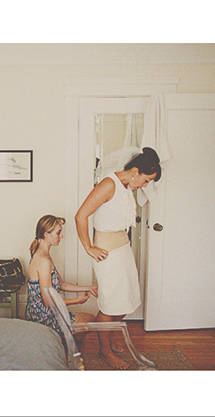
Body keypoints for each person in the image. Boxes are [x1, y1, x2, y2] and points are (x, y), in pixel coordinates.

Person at [75, 147, 162, 369]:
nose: (145, 185)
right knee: (110, 304)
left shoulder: (125, 187)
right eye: (146, 180)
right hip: (108, 255)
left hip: (122, 251)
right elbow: (81, 215)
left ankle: (110, 339)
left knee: (123, 301)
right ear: (135, 172)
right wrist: (89, 248)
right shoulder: (108, 184)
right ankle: (105, 351)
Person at [25, 215, 98, 339]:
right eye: (58, 233)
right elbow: (48, 302)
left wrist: (88, 288)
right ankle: (55, 342)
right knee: (90, 321)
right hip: (43, 318)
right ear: (46, 234)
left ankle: (60, 343)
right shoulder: (42, 261)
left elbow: (62, 284)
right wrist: (77, 301)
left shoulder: (44, 255)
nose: (61, 236)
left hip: (46, 313)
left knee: (86, 325)